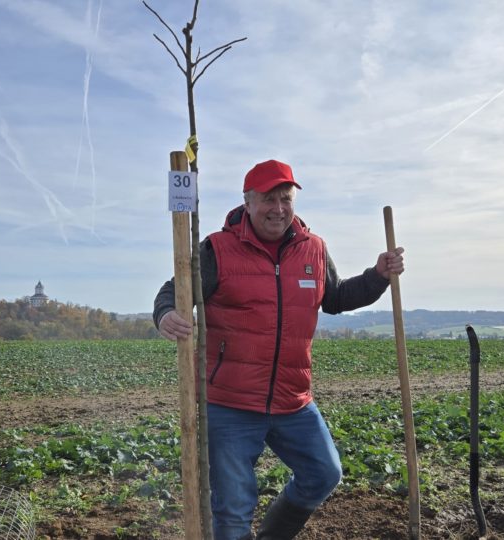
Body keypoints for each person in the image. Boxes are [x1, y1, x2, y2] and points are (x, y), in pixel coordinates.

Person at [153, 159, 405, 540]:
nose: (279, 207)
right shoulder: (217, 249)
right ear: (248, 202)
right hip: (230, 403)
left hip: (293, 400)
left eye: (285, 198)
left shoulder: (314, 249)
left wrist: (378, 276)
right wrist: (166, 313)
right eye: (268, 198)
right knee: (234, 510)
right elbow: (175, 289)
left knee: (324, 473)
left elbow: (335, 297)